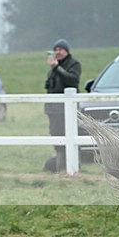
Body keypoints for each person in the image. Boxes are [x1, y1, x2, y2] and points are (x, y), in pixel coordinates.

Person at [43, 39, 82, 173]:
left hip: (67, 110)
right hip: (53, 110)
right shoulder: (52, 70)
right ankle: (60, 167)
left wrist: (56, 68)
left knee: (69, 135)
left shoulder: (74, 64)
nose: (57, 52)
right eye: (56, 49)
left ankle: (71, 166)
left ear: (67, 51)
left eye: (60, 49)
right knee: (56, 136)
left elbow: (72, 80)